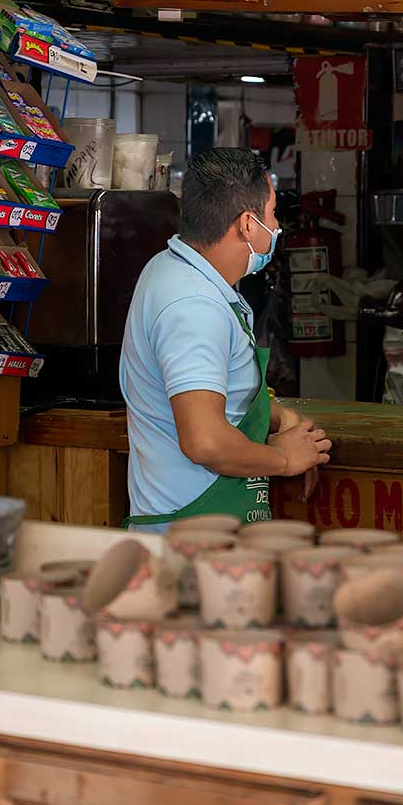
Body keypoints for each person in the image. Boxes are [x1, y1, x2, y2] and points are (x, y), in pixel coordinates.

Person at [120, 147, 332, 530]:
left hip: (205, 529)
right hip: (191, 537)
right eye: (271, 215)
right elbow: (206, 441)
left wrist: (277, 416)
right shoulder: (193, 304)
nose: (277, 224)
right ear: (248, 225)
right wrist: (284, 459)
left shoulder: (174, 269)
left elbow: (220, 395)